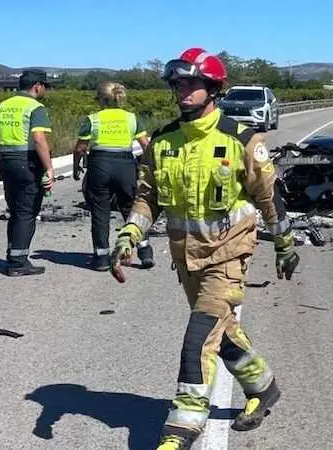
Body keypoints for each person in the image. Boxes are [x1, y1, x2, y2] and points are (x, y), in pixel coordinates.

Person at [108, 47, 300, 449]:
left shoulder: (241, 140)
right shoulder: (162, 142)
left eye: (192, 83)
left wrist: (284, 242)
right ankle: (264, 388)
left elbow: (269, 198)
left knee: (198, 337)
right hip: (186, 258)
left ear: (213, 89)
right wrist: (130, 234)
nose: (183, 91)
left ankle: (181, 428)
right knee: (222, 333)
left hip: (229, 254)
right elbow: (148, 198)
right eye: (178, 84)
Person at [72, 81, 155, 271]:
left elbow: (80, 148)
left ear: (101, 100)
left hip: (100, 164)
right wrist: (149, 169)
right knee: (132, 210)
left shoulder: (92, 119)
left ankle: (101, 257)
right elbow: (145, 146)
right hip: (125, 165)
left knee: (100, 212)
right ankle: (145, 252)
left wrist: (77, 166)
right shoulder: (131, 118)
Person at [0, 69, 55, 276]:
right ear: (37, 86)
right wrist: (49, 168)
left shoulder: (2, 106)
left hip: (6, 161)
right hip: (27, 161)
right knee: (27, 211)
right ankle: (18, 262)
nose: (44, 89)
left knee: (15, 209)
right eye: (44, 86)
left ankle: (12, 252)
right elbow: (39, 138)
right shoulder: (36, 107)